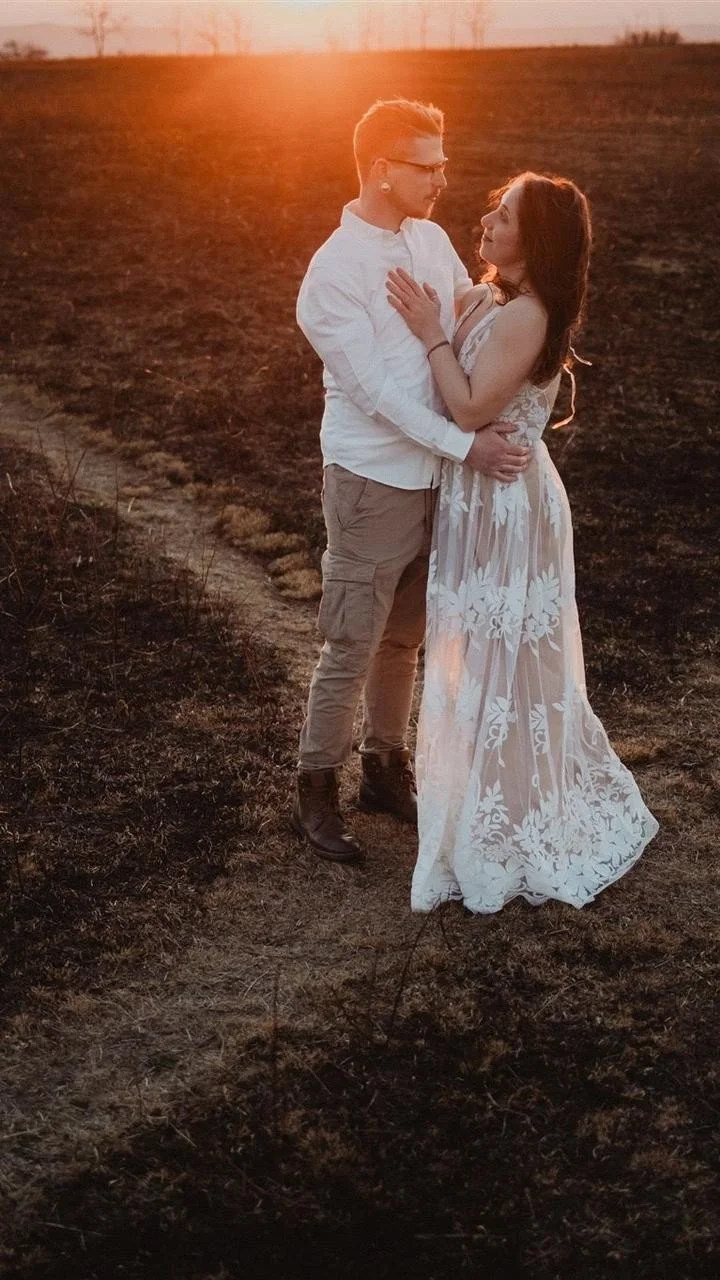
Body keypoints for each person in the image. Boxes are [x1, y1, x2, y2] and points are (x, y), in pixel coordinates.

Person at [386, 172, 659, 911]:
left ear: (533, 239)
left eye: (503, 216)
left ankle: (513, 811)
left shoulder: (529, 316)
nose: (486, 220)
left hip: (507, 502)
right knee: (478, 646)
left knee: (506, 650)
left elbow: (472, 409)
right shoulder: (494, 298)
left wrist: (431, 333)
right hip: (476, 492)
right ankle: (485, 796)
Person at [293, 99, 531, 863]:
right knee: (351, 642)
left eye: (443, 163)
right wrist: (466, 446)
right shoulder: (333, 274)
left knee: (404, 638)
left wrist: (531, 309)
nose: (442, 179)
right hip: (372, 481)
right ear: (381, 170)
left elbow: (466, 316)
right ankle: (316, 788)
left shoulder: (428, 240)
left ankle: (384, 769)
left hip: (437, 480)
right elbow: (378, 396)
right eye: (426, 166)